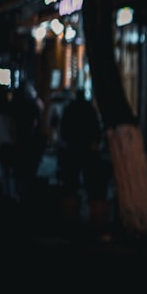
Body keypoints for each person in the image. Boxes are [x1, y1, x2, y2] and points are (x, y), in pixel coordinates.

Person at [57, 88, 104, 217]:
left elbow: (64, 127)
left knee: (72, 180)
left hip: (73, 148)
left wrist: (65, 142)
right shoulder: (89, 109)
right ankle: (85, 210)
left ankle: (71, 212)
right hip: (86, 148)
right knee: (89, 179)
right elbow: (95, 128)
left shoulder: (71, 108)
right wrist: (96, 142)